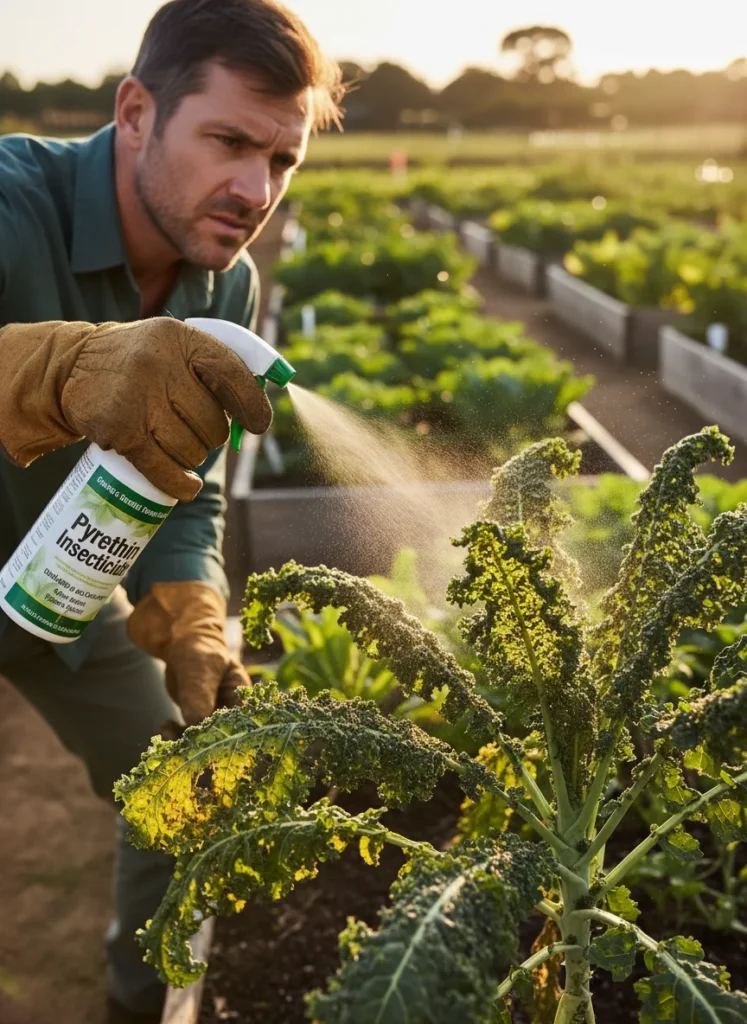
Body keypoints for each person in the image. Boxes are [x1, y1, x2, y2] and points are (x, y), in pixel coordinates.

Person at [0, 1, 344, 1020]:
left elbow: (179, 483)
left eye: (281, 160)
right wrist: (61, 365)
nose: (255, 189)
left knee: (184, 795)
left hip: (59, 589)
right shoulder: (14, 201)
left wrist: (193, 600)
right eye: (230, 141)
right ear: (139, 111)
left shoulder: (220, 287)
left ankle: (137, 1001)